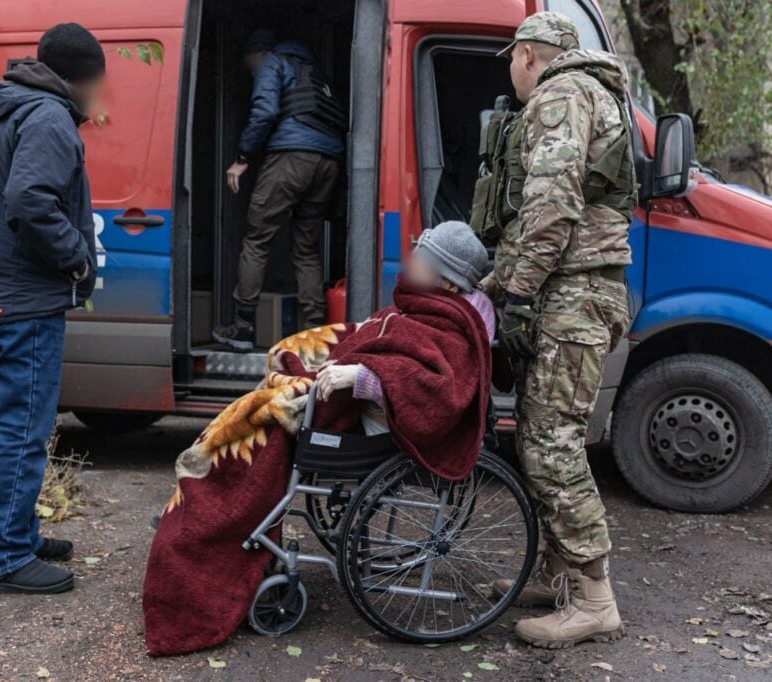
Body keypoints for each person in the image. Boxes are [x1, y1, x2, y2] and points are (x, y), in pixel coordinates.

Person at [481, 12, 637, 648]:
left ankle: (596, 600)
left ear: (527, 56)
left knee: (552, 446)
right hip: (573, 288)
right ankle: (558, 571)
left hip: (573, 293)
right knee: (540, 439)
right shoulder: (590, 92)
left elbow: (550, 206)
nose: (516, 77)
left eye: (514, 64)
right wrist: (495, 286)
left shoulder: (560, 95)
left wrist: (515, 292)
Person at [0, 23, 105, 594]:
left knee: (18, 423)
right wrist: (75, 258)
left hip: (6, 294)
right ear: (83, 75)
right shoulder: (47, 117)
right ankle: (3, 559)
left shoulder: (12, 111)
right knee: (24, 429)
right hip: (25, 300)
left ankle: (17, 533)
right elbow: (27, 201)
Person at [214, 29, 346, 351]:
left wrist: (243, 158)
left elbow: (265, 112)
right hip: (328, 163)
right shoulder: (316, 75)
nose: (253, 73)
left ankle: (243, 327)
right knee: (307, 249)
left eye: (251, 66)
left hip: (291, 158)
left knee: (257, 239)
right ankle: (314, 333)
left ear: (257, 54)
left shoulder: (272, 62)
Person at [316, 220, 494, 435]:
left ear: (449, 284)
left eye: (421, 265)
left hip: (391, 422)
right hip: (371, 396)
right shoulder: (431, 303)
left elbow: (437, 392)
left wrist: (363, 376)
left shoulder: (458, 324)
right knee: (288, 355)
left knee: (288, 408)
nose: (410, 267)